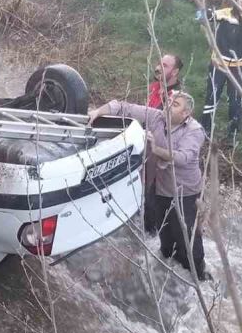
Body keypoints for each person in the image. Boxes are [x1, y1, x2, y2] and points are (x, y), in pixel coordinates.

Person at [89, 91, 208, 280]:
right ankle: (170, 278)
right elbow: (123, 107)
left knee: (188, 241)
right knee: (165, 239)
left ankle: (200, 280)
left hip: (185, 193)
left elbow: (184, 158)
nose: (168, 106)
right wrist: (96, 112)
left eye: (175, 104)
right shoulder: (157, 116)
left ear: (186, 114)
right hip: (159, 187)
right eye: (168, 101)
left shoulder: (195, 130)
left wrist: (156, 150)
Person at [200, 0, 242, 142]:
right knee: (211, 97)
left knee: (236, 102)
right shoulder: (227, 13)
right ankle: (204, 131)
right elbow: (210, 15)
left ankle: (232, 136)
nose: (240, 1)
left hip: (239, 68)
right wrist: (202, 12)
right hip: (218, 64)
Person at [144, 53, 183, 233]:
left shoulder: (176, 99)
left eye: (165, 66)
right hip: (146, 150)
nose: (158, 68)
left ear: (175, 72)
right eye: (159, 63)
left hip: (161, 157)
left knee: (153, 202)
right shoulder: (153, 88)